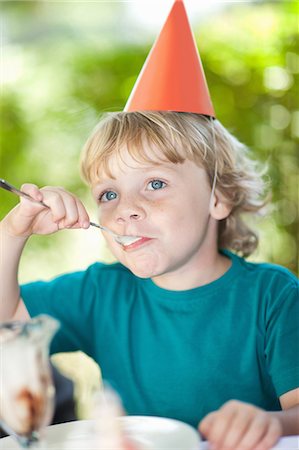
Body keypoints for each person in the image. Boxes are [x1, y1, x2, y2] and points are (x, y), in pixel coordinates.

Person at [1, 1, 298, 449]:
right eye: (108, 194)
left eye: (155, 183)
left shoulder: (274, 298)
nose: (126, 208)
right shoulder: (102, 293)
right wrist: (13, 232)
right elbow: (7, 325)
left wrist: (274, 424)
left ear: (218, 197)